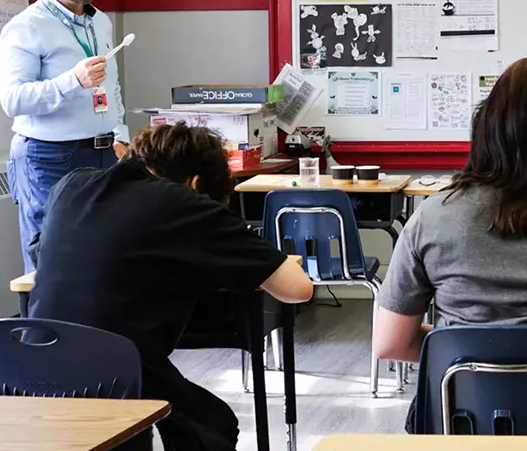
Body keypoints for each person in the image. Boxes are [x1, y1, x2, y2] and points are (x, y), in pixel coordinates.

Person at [27, 122, 313, 451]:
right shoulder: (182, 201)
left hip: (28, 369)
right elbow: (298, 288)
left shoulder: (72, 184)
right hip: (114, 373)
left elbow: (40, 253)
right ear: (195, 184)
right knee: (215, 425)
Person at [373, 57, 527, 428]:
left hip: (457, 420)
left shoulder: (432, 217)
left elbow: (389, 343)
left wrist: (460, 347)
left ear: (486, 127)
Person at [0, 0, 129, 273]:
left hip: (102, 153)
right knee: (52, 261)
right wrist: (73, 81)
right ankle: (43, 330)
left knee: (103, 254)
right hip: (49, 157)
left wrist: (120, 133)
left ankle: (89, 329)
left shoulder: (99, 22)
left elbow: (110, 86)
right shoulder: (26, 27)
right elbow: (13, 100)